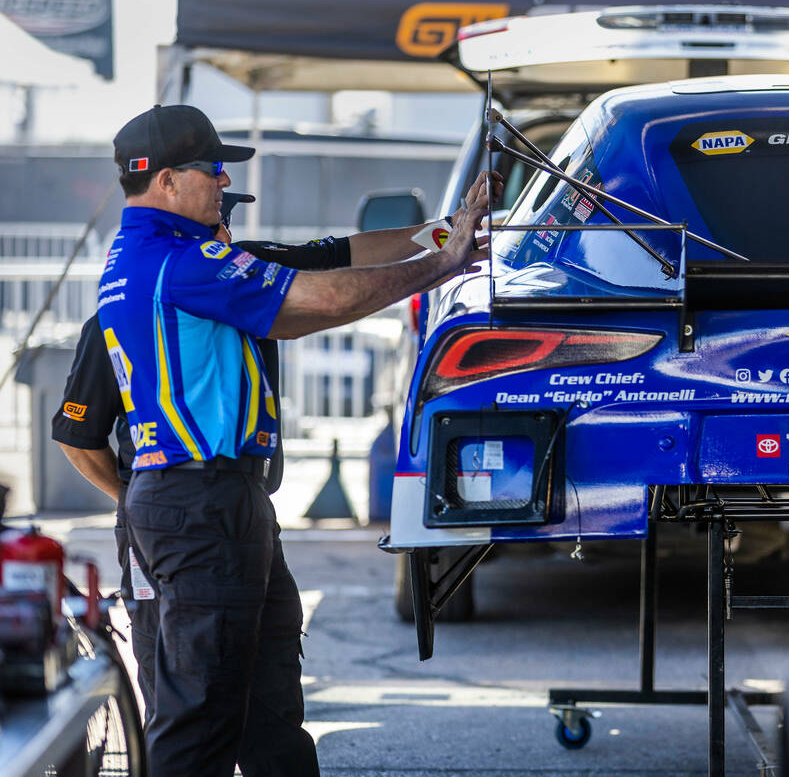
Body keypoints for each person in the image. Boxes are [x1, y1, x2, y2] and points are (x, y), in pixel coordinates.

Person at [95, 104, 500, 777]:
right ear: (166, 180)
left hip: (218, 501)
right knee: (200, 722)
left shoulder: (173, 255)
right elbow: (325, 300)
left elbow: (335, 256)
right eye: (213, 170)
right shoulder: (181, 264)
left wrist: (445, 234)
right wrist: (444, 265)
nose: (224, 182)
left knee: (267, 705)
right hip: (199, 503)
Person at [54, 189, 456, 733]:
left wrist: (449, 233)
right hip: (171, 521)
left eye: (227, 220)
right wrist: (142, 501)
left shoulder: (247, 271)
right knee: (183, 706)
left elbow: (349, 253)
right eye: (214, 217)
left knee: (269, 712)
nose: (222, 228)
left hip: (242, 510)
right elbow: (78, 437)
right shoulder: (136, 304)